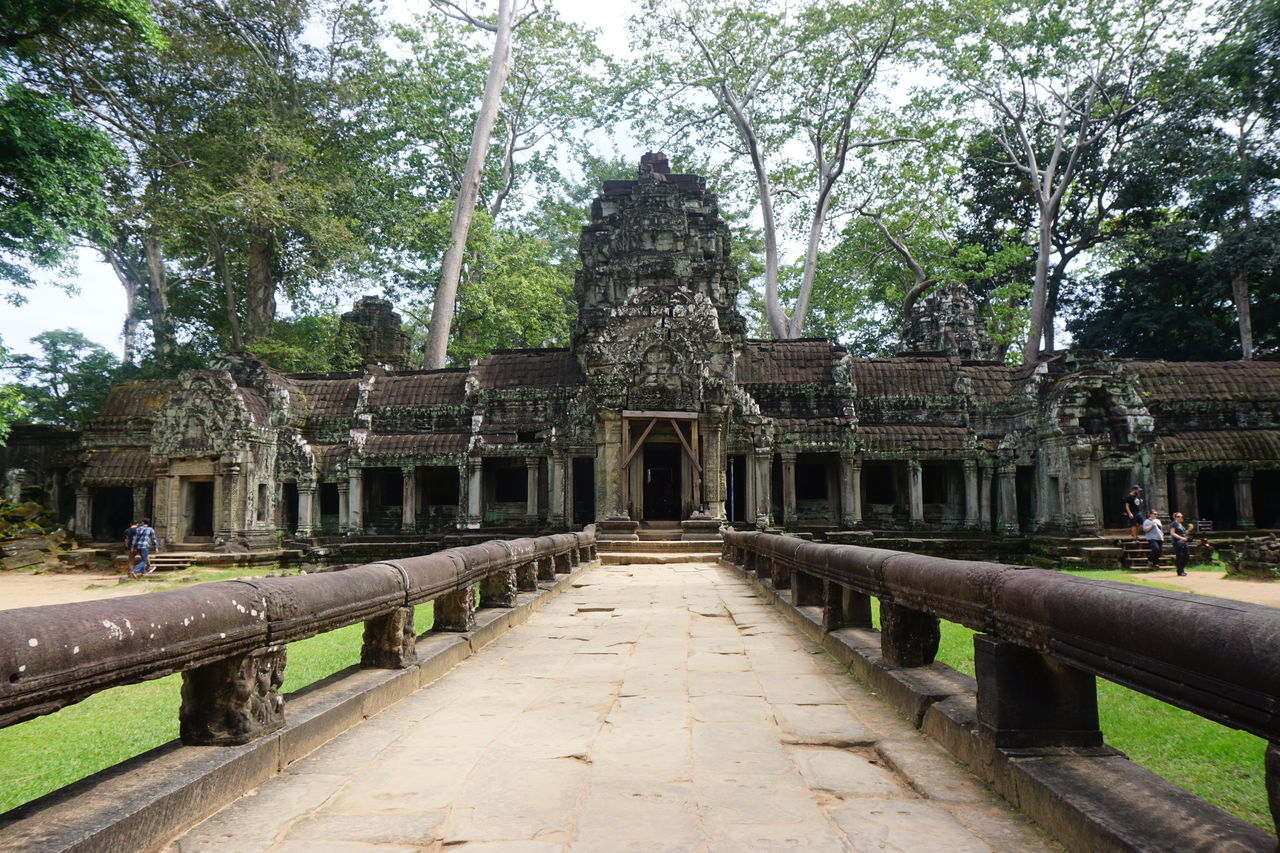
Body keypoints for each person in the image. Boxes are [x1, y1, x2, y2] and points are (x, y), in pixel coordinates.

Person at [1169, 512, 1191, 576]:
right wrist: (1181, 538)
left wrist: (1189, 530)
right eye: (1178, 516)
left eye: (1181, 516)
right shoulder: (1174, 524)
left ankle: (1181, 569)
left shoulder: (1180, 524)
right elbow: (1172, 533)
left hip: (1183, 542)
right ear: (1175, 517)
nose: (1180, 517)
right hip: (1177, 542)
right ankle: (1180, 571)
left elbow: (1184, 533)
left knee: (1187, 556)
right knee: (1180, 557)